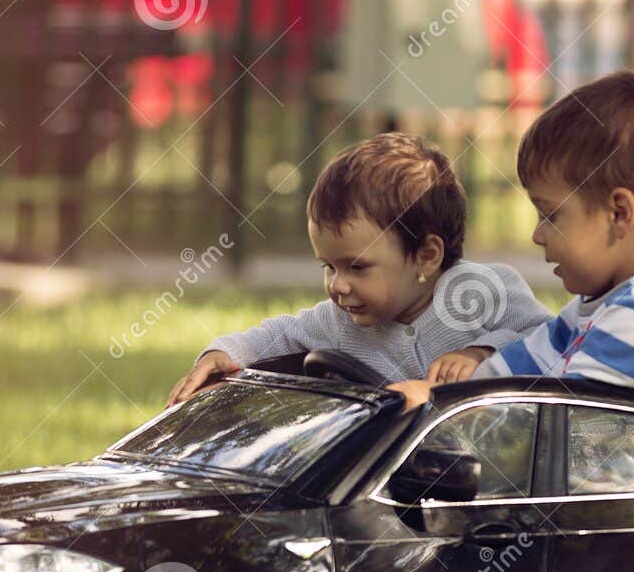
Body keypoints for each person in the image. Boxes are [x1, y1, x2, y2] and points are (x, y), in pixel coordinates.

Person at [388, 71, 634, 411]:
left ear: (618, 214)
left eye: (551, 215)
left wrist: (440, 408)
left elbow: (570, 428)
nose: (537, 236)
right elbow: (528, 362)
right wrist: (466, 376)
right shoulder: (609, 300)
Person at [167, 133, 552, 406]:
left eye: (357, 267)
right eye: (328, 267)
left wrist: (481, 353)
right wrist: (222, 353)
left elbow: (549, 339)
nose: (338, 285)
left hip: (503, 484)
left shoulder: (484, 289)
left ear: (426, 256)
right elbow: (281, 333)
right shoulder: (339, 322)